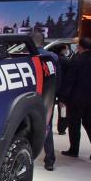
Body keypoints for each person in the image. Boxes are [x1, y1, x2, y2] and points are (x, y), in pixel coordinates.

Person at [60, 37, 91, 160]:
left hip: (76, 98)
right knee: (89, 122)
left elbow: (70, 81)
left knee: (74, 123)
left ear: (80, 46)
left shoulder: (76, 60)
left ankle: (74, 149)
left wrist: (63, 97)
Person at [33, 32, 60, 171]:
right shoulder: (53, 57)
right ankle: (49, 160)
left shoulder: (27, 57)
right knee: (47, 128)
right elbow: (58, 79)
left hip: (30, 97)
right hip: (47, 97)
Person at [48, 43, 70, 135]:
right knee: (63, 109)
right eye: (66, 49)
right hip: (63, 87)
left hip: (52, 87)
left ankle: (48, 126)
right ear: (63, 50)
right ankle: (61, 129)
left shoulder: (51, 59)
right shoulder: (67, 61)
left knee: (50, 108)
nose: (67, 51)